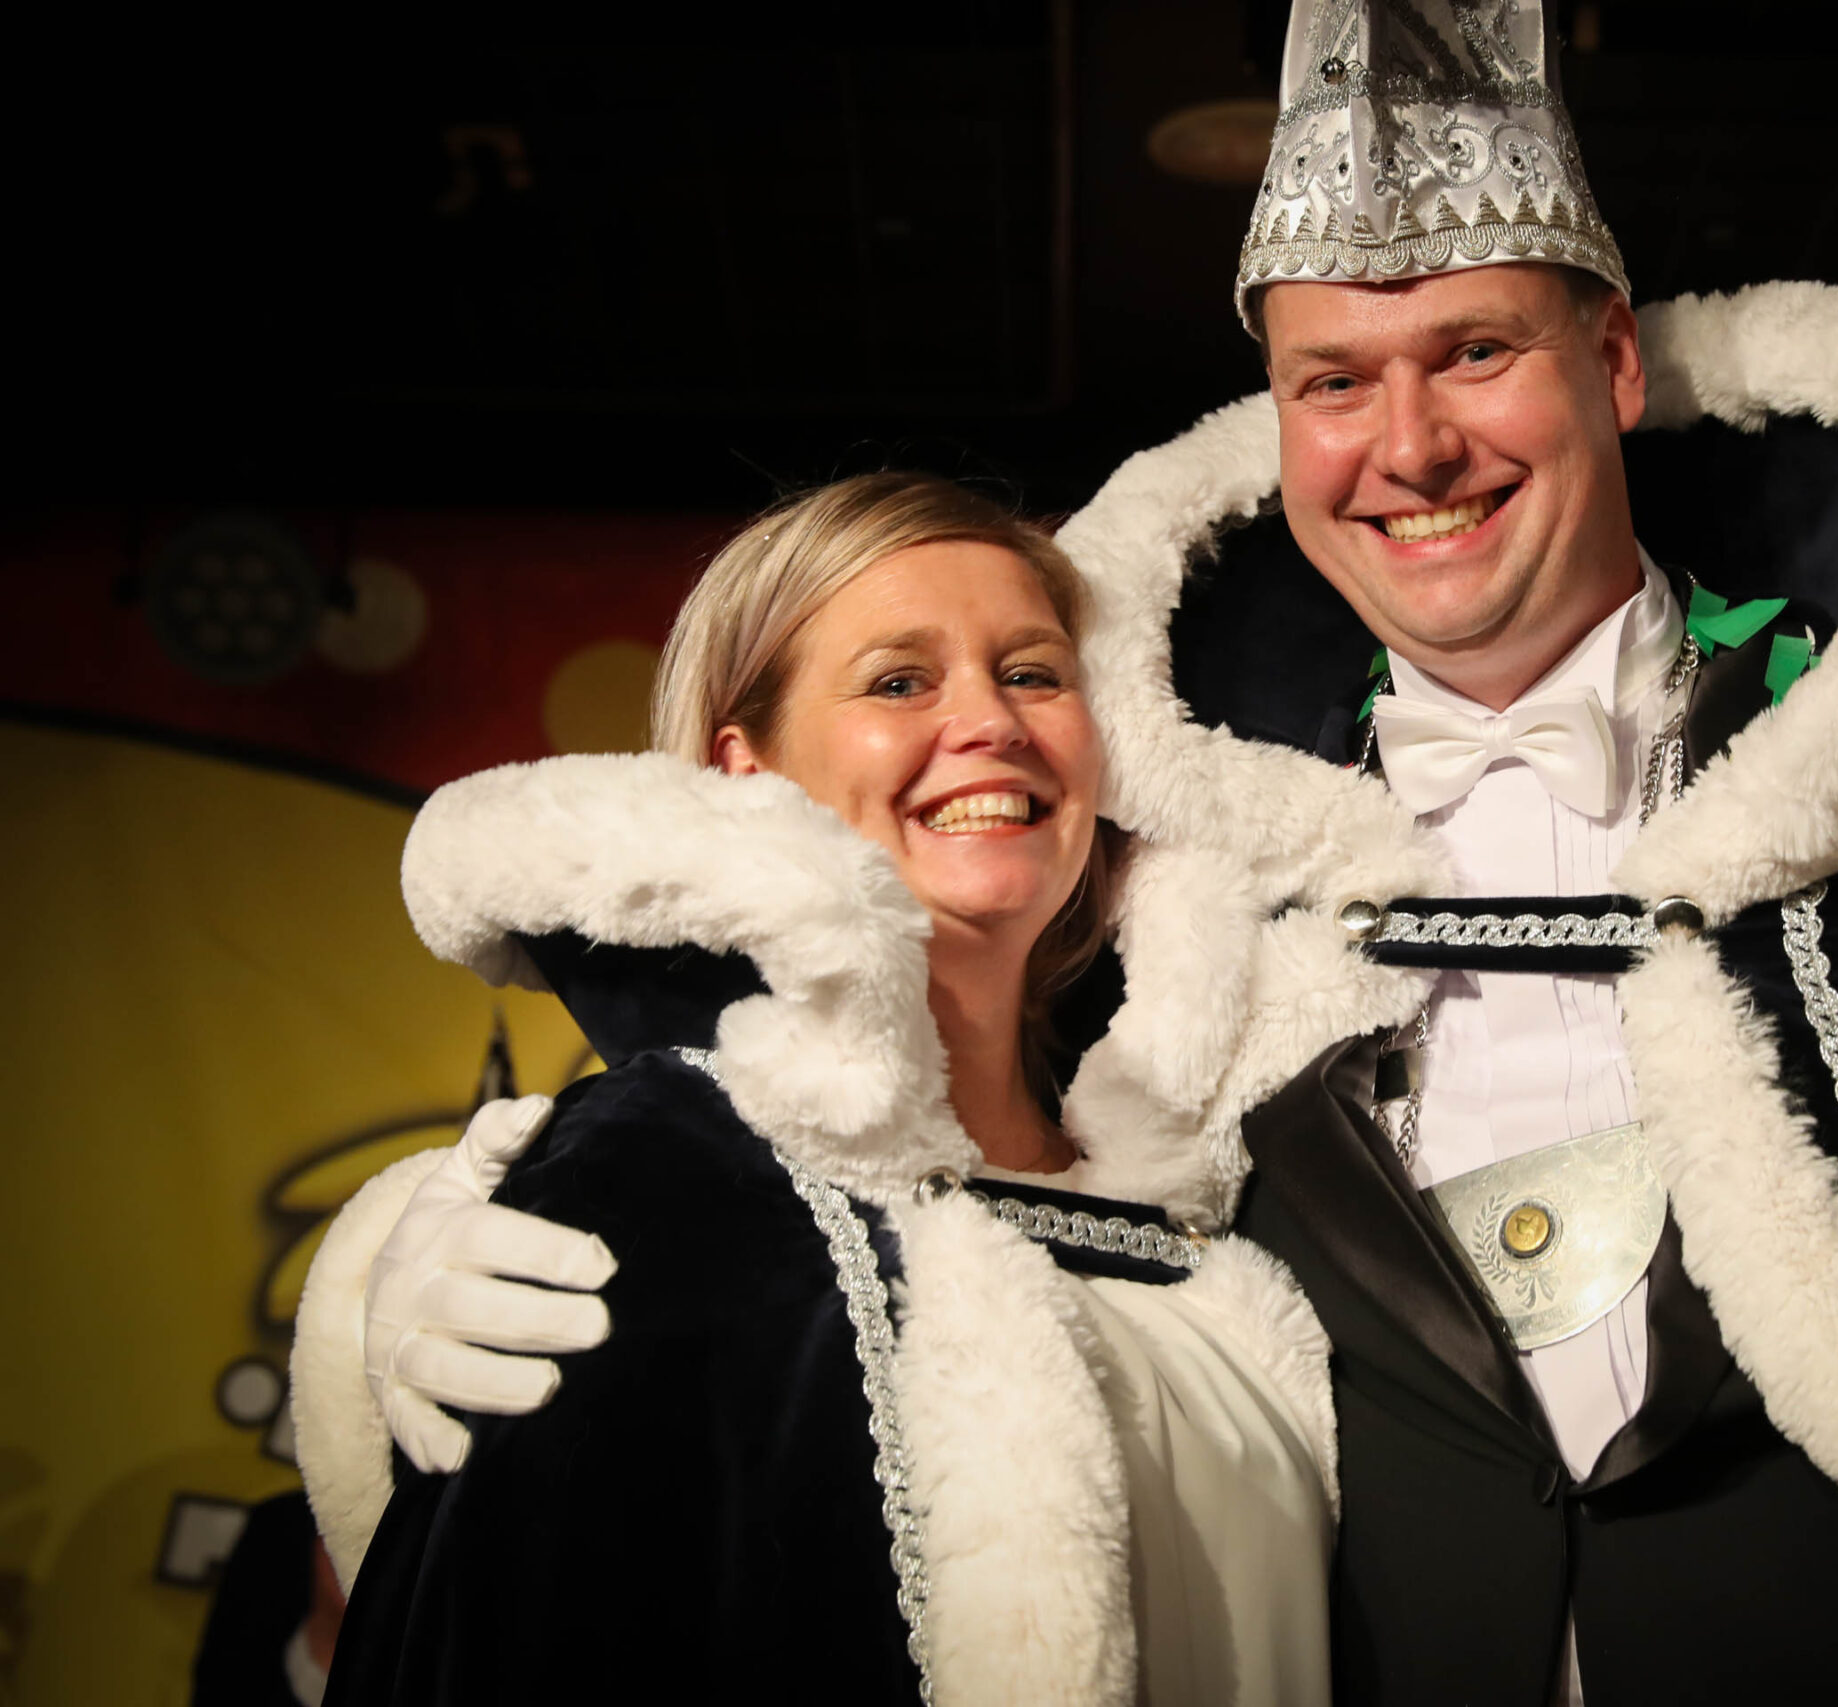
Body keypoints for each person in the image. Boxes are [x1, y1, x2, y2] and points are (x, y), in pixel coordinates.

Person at [306, 3, 1838, 1702]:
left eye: (1473, 353)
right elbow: (826, 1143)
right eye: (1333, 381)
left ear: (1613, 362)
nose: (1408, 444)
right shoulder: (1177, 853)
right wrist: (395, 1261)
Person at [293, 473, 1336, 1704]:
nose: (989, 721)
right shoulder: (662, 1182)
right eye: (898, 682)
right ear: (745, 773)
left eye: (1032, 672)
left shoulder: (1234, 1182)